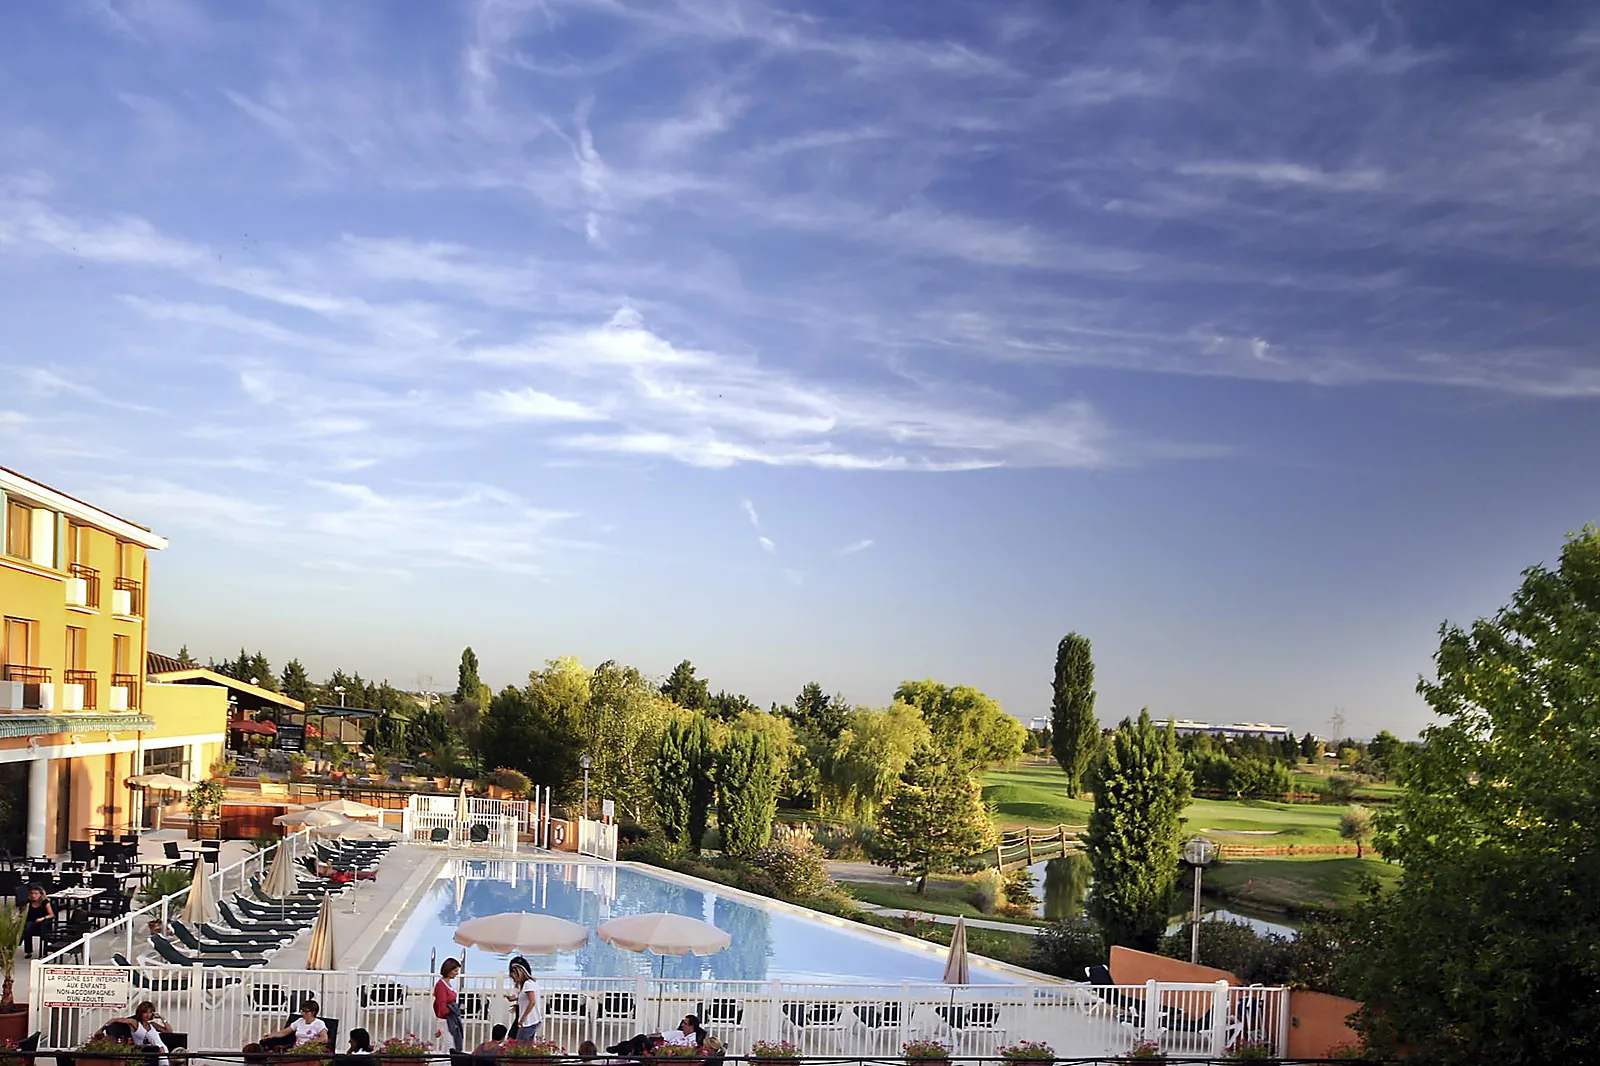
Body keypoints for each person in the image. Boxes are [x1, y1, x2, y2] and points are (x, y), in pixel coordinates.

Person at [106, 1002, 172, 1066]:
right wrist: (102, 1029)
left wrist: (163, 1019)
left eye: (150, 1012)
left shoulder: (152, 1025)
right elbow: (114, 1020)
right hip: (149, 1050)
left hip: (162, 1050)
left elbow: (169, 1031)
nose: (148, 1015)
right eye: (145, 1012)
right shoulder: (135, 1023)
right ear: (141, 1013)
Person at [506, 957, 541, 1039]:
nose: (514, 980)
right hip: (533, 1021)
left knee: (519, 1045)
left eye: (514, 977)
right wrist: (516, 1000)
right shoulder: (531, 983)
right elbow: (526, 998)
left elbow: (532, 1002)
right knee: (526, 1046)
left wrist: (522, 1018)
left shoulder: (527, 984)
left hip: (528, 1021)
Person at [434, 957, 464, 1051]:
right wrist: (456, 1009)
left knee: (448, 1044)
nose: (457, 973)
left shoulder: (447, 984)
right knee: (450, 1045)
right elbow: (441, 1006)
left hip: (448, 1019)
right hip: (445, 1019)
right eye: (455, 971)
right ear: (449, 970)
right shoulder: (441, 986)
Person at [22, 885, 52, 959]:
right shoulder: (28, 902)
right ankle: (27, 950)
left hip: (42, 924)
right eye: (32, 893)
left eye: (36, 894)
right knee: (27, 927)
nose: (33, 895)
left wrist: (43, 918)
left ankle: (26, 948)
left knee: (27, 928)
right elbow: (23, 913)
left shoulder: (45, 903)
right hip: (29, 924)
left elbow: (51, 915)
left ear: (41, 894)